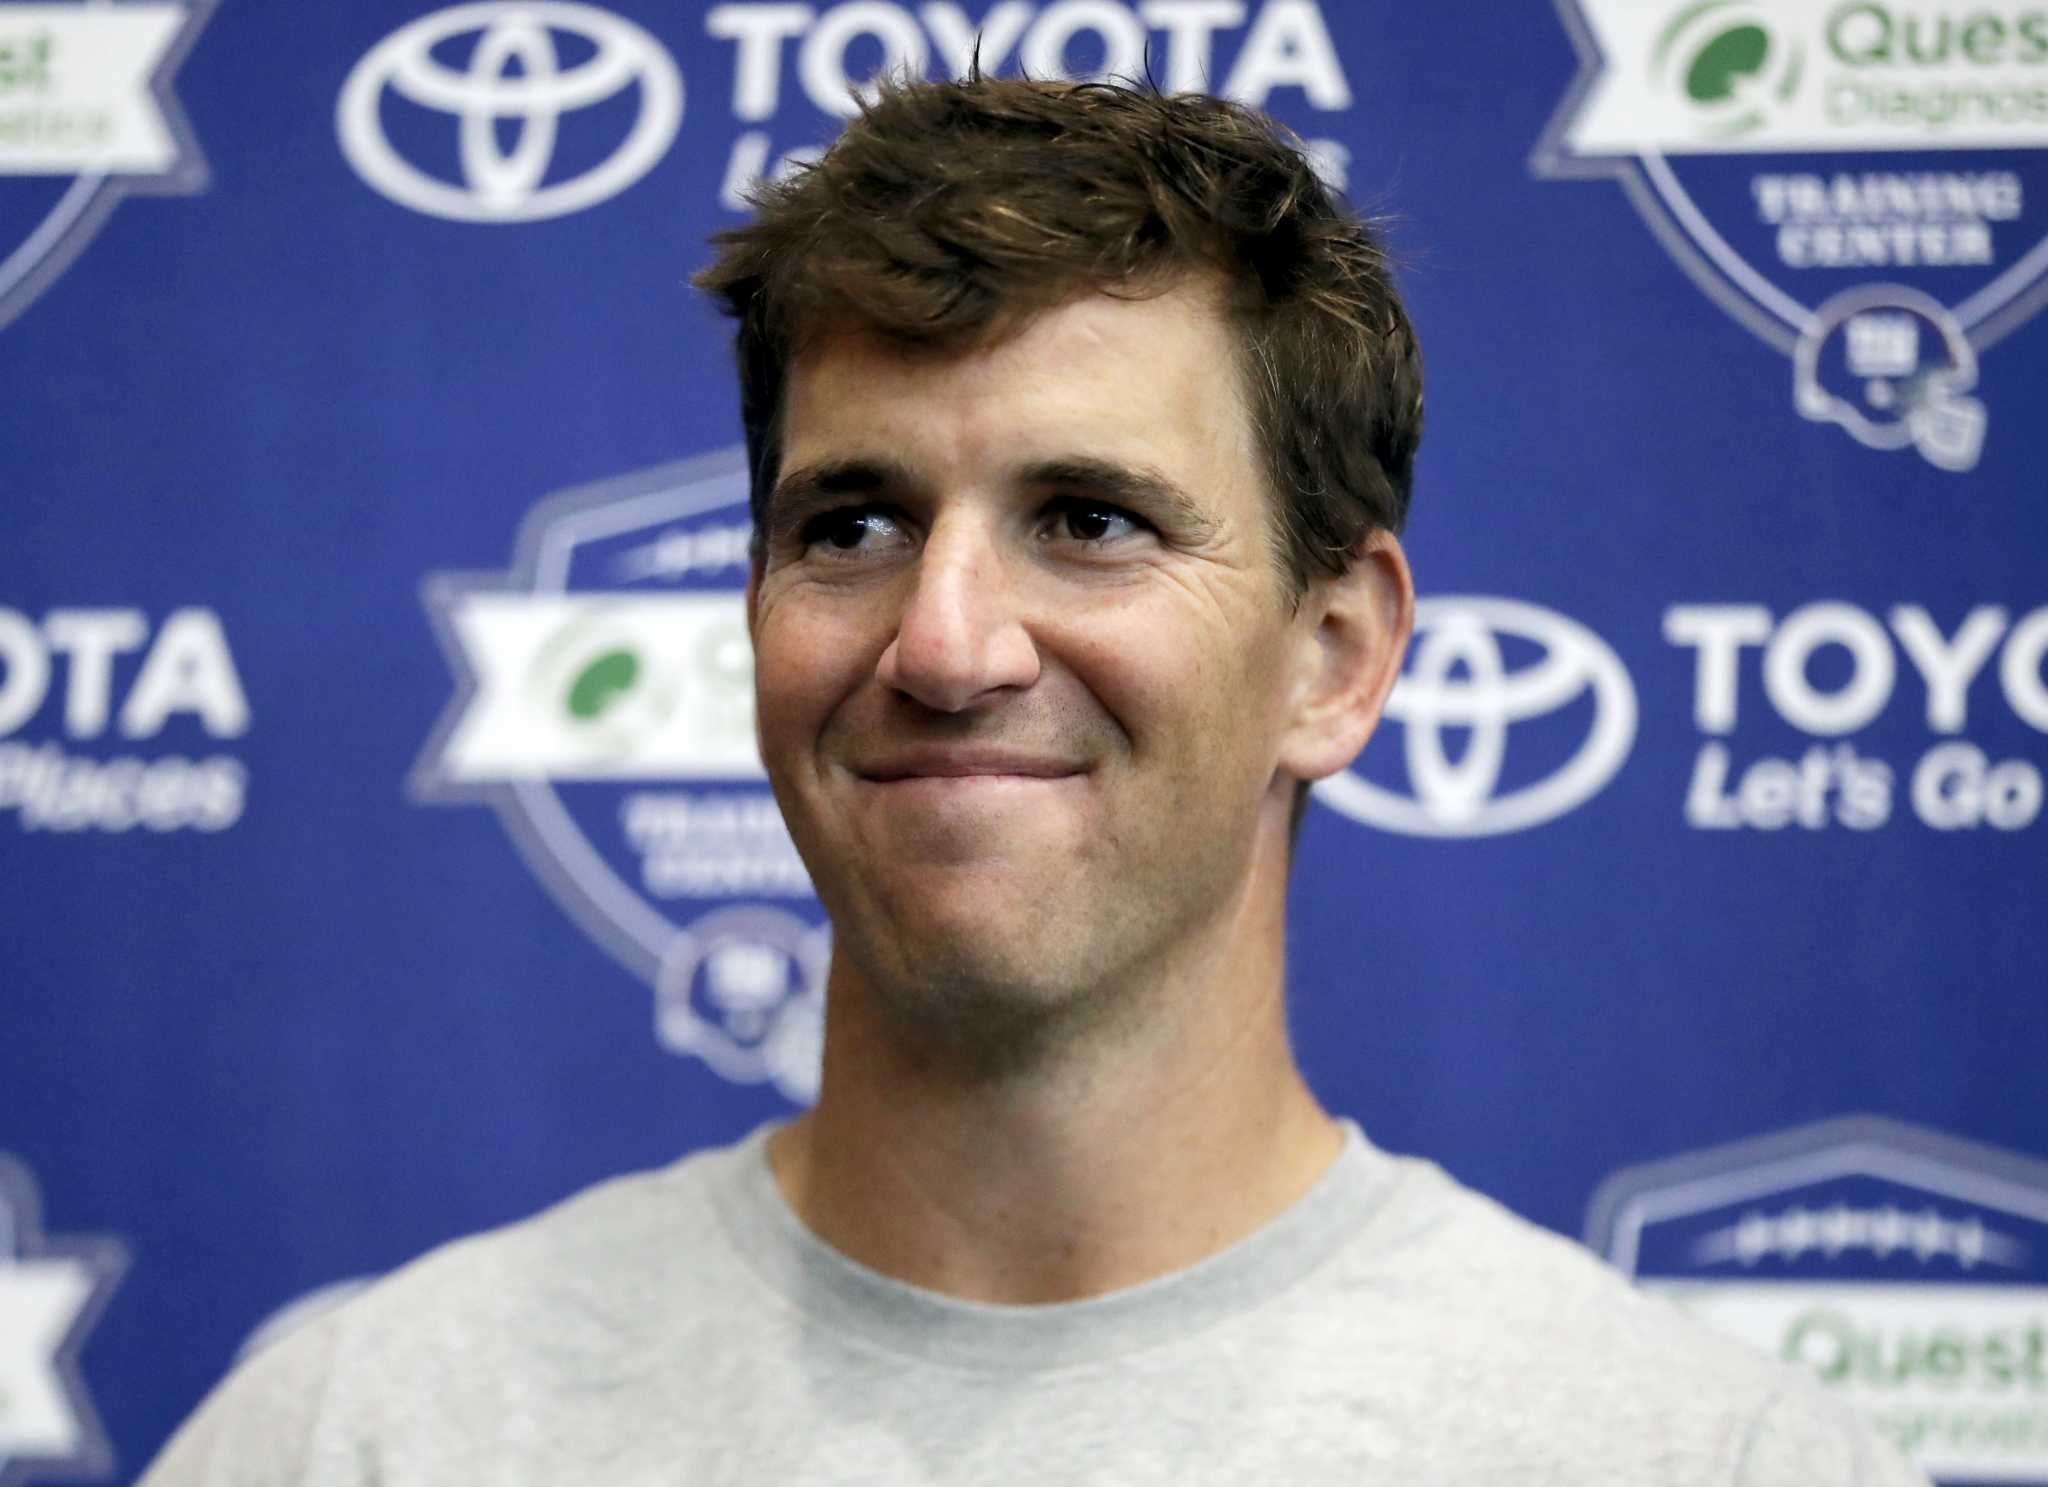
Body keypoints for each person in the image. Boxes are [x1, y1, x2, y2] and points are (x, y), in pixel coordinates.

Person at [143, 74, 1929, 1485]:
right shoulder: (360, 1439)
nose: (945, 644)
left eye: (1089, 520)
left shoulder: (1701, 1459)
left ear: (1334, 655)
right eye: (853, 525)